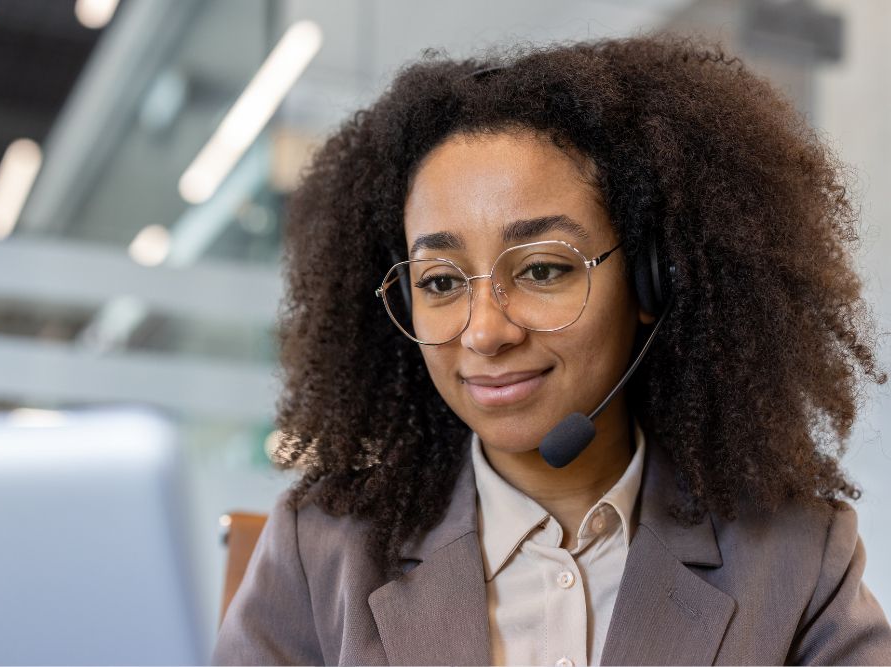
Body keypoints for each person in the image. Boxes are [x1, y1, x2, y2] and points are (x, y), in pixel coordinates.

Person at [213, 35, 891, 665]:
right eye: (442, 281)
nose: (485, 331)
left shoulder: (797, 558)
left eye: (542, 269)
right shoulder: (322, 550)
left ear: (656, 278)